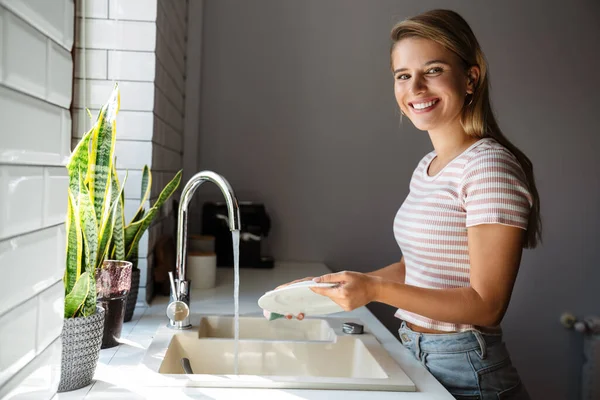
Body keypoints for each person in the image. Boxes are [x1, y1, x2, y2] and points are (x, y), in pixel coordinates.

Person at [269, 9, 541, 400]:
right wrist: (324, 290)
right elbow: (414, 269)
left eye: (432, 70)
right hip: (417, 353)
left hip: (467, 372)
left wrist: (373, 290)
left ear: (470, 78)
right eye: (403, 75)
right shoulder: (427, 167)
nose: (415, 87)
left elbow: (487, 305)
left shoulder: (488, 166)